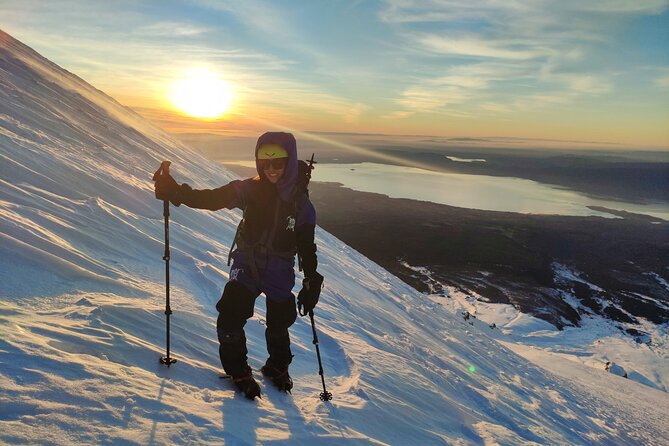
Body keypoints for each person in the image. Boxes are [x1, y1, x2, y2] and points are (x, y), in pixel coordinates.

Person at [154, 132, 324, 399]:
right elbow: (212, 198)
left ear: (289, 163)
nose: (271, 169)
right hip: (248, 262)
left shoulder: (301, 204)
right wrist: (177, 193)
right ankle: (238, 370)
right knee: (231, 314)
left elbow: (306, 245)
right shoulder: (249, 189)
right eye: (264, 162)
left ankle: (278, 367)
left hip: (280, 267)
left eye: (278, 163)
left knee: (280, 321)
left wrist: (312, 278)